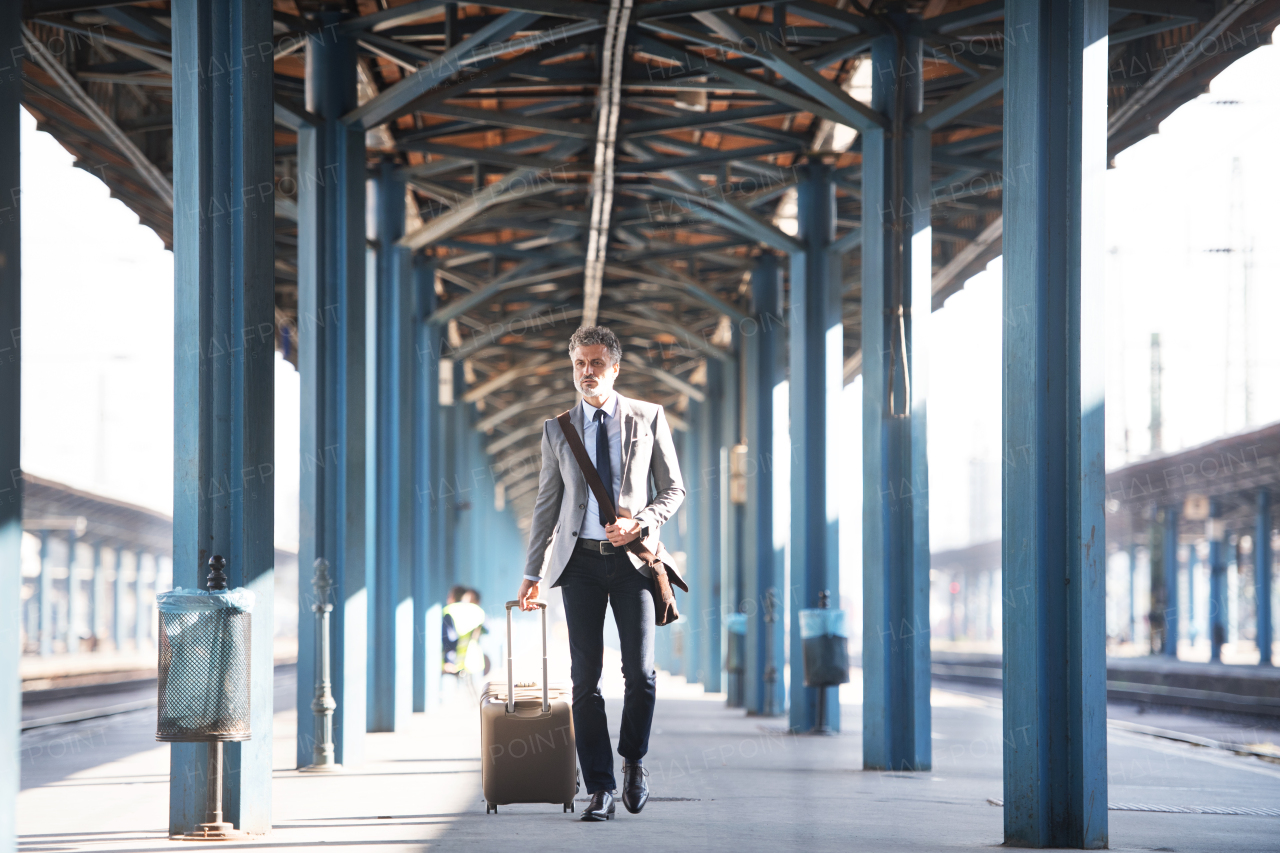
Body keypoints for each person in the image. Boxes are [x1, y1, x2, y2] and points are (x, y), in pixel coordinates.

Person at [518, 325, 685, 822]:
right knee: (584, 680)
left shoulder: (648, 416)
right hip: (581, 565)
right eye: (579, 364)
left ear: (615, 368)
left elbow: (674, 489)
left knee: (641, 674)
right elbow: (547, 506)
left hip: (634, 562)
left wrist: (642, 520)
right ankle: (600, 788)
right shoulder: (558, 428)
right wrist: (532, 571)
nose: (586, 372)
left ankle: (633, 761)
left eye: (595, 363)